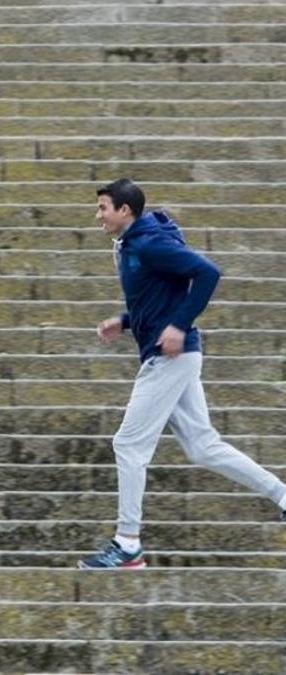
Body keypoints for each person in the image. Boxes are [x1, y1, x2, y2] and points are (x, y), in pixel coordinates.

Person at [79, 178, 286, 569]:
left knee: (128, 444)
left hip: (170, 357)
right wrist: (124, 321)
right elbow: (160, 294)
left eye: (104, 207)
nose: (98, 215)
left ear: (125, 211)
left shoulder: (150, 243)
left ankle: (127, 545)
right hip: (174, 356)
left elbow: (207, 273)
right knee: (203, 446)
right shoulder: (132, 244)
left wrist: (178, 325)